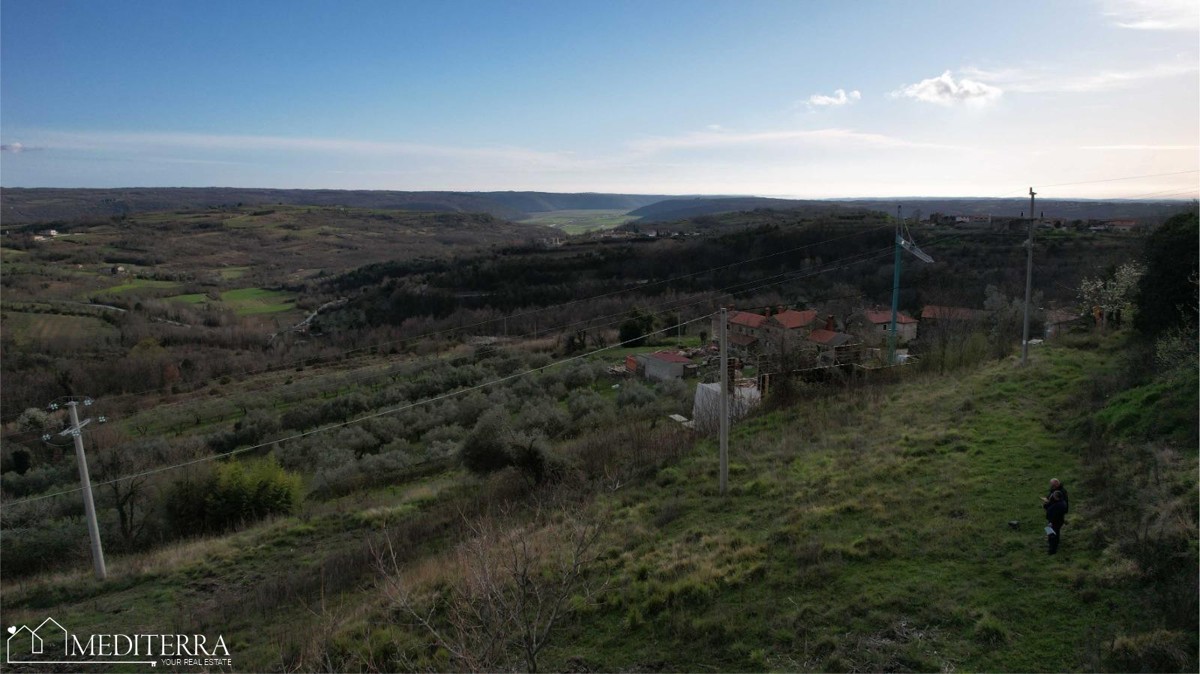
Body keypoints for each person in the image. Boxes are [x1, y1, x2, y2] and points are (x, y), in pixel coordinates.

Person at [1044, 490, 1067, 555]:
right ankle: (1054, 547)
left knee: (1052, 536)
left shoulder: (1058, 505)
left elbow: (1049, 510)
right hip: (1058, 521)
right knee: (1056, 534)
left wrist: (1050, 522)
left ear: (1056, 497)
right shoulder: (1062, 502)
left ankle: (1052, 550)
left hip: (1054, 522)